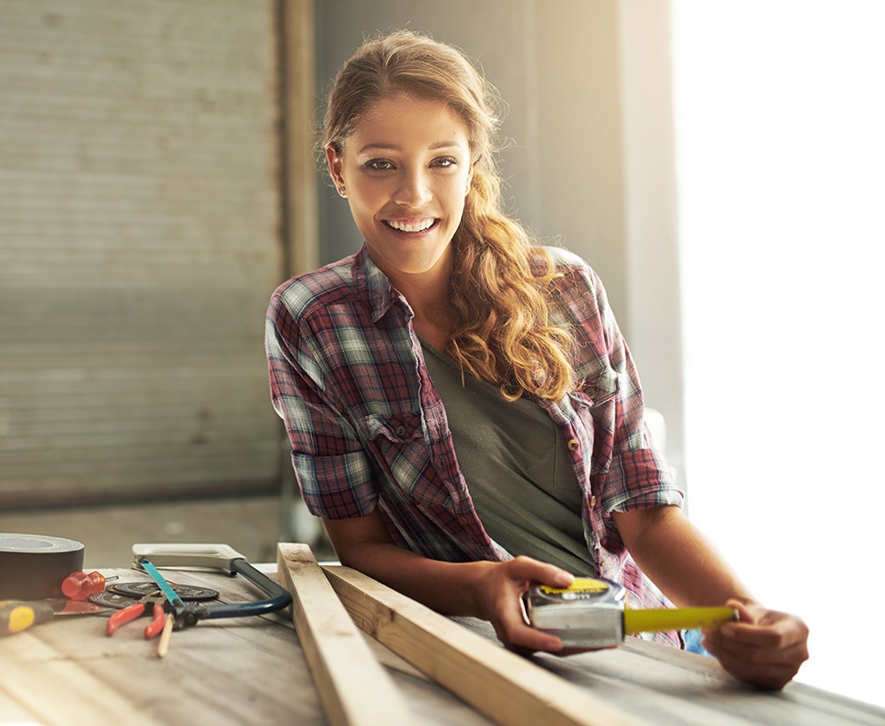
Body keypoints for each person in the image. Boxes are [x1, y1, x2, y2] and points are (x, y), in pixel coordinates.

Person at [265, 29, 808, 689]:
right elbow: (360, 547)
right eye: (381, 163)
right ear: (336, 165)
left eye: (442, 162)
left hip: (639, 646)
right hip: (477, 656)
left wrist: (743, 615)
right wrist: (479, 589)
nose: (413, 194)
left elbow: (645, 509)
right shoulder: (310, 320)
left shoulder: (566, 288)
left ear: (472, 166)